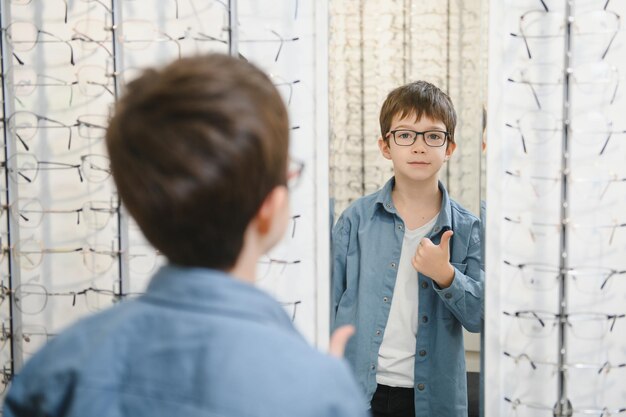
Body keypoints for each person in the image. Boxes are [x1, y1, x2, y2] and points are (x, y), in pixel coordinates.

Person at [3, 54, 369, 417]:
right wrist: (323, 384)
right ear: (270, 207)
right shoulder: (320, 392)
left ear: (139, 203)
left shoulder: (58, 370)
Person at [331, 80, 483, 417]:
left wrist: (446, 276)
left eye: (432, 136)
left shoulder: (469, 228)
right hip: (357, 391)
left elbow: (480, 317)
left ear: (449, 148)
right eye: (405, 134)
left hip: (432, 399)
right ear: (386, 146)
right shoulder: (356, 220)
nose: (418, 147)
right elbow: (327, 307)